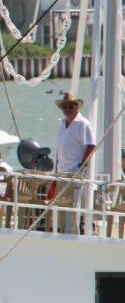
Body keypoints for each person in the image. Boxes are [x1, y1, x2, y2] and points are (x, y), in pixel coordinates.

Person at [55, 92, 96, 234]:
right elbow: (59, 148)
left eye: (71, 106)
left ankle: (73, 233)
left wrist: (82, 165)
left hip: (75, 170)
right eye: (65, 106)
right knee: (62, 203)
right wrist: (56, 167)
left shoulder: (83, 124)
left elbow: (91, 146)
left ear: (76, 107)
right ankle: (63, 230)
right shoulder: (62, 124)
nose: (67, 109)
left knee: (74, 203)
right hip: (62, 170)